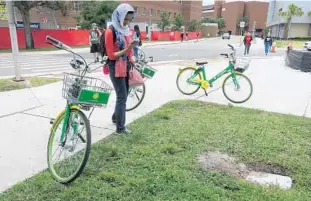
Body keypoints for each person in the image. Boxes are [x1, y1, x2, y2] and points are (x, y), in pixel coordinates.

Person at [105, 3, 138, 134]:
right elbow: (111, 55)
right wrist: (127, 49)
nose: (127, 21)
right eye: (125, 18)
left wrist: (131, 58)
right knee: (122, 96)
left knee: (123, 95)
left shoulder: (125, 30)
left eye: (129, 19)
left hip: (126, 65)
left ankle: (115, 118)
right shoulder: (110, 31)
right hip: (115, 66)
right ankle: (120, 128)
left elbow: (128, 49)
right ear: (119, 16)